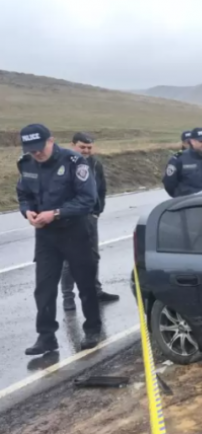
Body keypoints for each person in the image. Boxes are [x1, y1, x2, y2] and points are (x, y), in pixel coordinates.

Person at [16, 124, 103, 354]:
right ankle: (46, 337)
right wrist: (27, 212)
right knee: (44, 287)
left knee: (85, 283)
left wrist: (55, 213)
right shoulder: (26, 163)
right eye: (32, 149)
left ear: (51, 141)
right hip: (46, 235)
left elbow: (88, 199)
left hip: (75, 231)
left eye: (40, 147)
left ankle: (92, 329)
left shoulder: (74, 161)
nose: (37, 153)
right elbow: (24, 194)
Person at [60, 132, 120, 311]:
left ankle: (96, 292)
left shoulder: (95, 164)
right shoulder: (63, 164)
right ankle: (68, 298)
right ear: (73, 145)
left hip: (90, 217)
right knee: (70, 260)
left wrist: (97, 212)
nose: (86, 150)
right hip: (69, 219)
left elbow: (101, 189)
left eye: (89, 147)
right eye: (82, 147)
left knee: (93, 256)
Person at [162, 127, 202, 198]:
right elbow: (169, 184)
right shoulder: (179, 159)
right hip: (189, 203)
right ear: (192, 141)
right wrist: (181, 198)